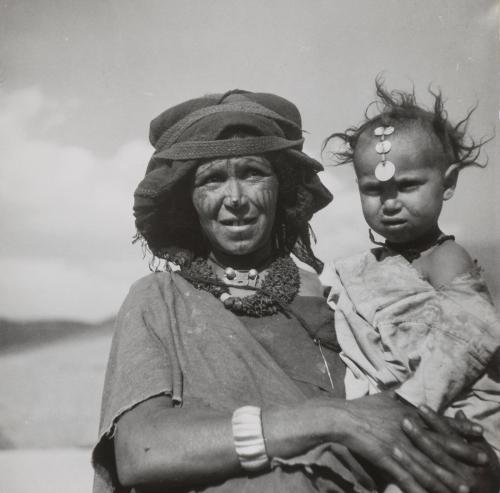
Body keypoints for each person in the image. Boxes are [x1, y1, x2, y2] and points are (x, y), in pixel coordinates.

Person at [92, 89, 500, 493]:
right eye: (213, 179)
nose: (235, 198)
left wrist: (476, 469)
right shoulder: (158, 300)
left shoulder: (345, 301)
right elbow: (140, 450)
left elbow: (439, 394)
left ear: (282, 187)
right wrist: (333, 419)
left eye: (253, 173)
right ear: (188, 202)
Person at [323, 82, 500, 468]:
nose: (390, 203)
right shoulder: (360, 268)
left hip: (450, 413)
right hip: (391, 417)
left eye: (407, 186)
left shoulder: (446, 257)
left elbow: (471, 333)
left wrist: (407, 404)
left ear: (448, 183)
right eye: (373, 190)